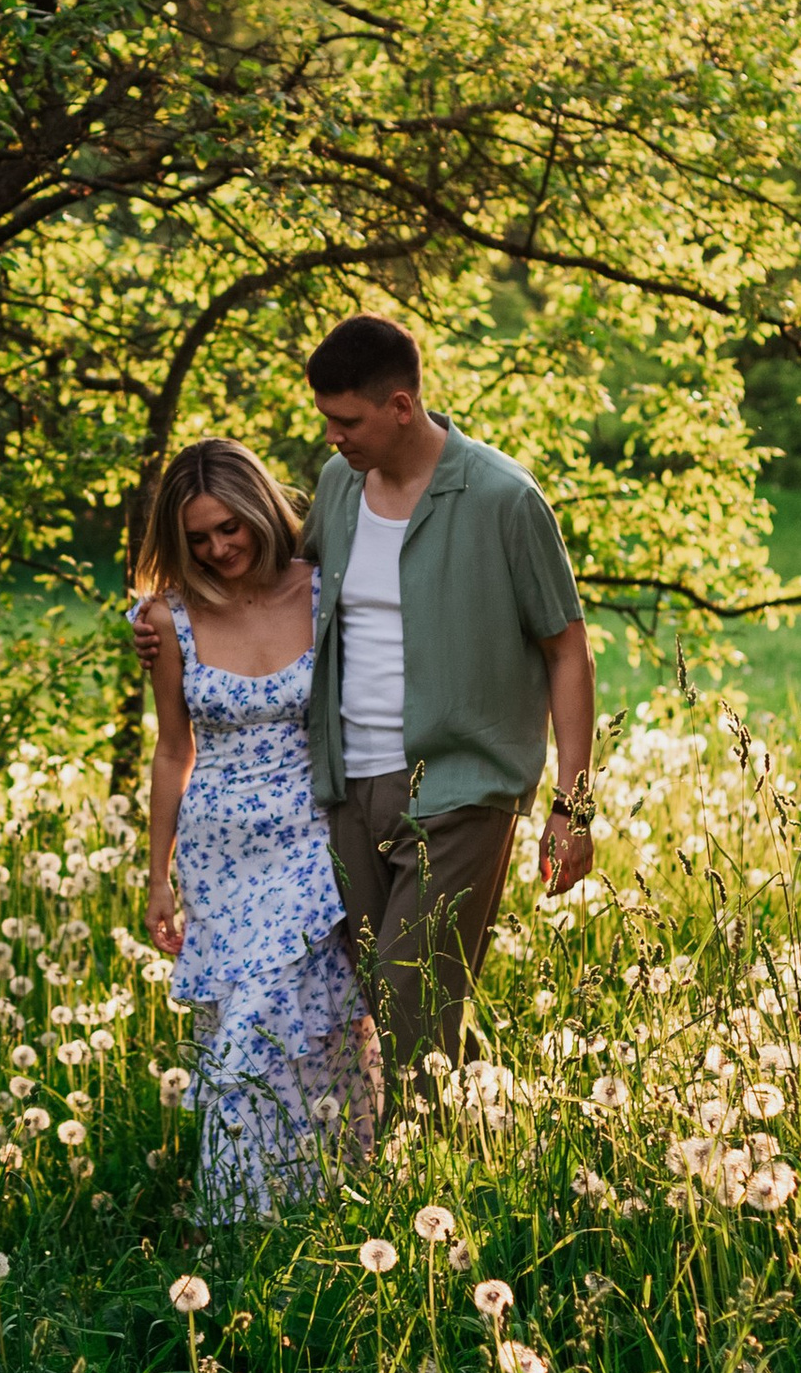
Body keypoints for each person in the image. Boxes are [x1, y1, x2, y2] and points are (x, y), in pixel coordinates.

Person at [132, 313, 595, 1092]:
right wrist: (171, 620)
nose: (333, 437)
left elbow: (567, 651)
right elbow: (274, 587)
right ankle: (484, 1132)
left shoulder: (503, 500)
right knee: (390, 999)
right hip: (345, 789)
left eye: (346, 420)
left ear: (401, 407)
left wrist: (573, 806)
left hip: (461, 789)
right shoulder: (340, 487)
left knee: (416, 998)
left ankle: (413, 1187)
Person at [136, 439, 376, 1221]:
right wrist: (156, 878)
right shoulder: (167, 618)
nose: (218, 548)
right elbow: (175, 748)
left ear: (260, 510)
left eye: (228, 528)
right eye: (198, 538)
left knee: (302, 1037)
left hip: (314, 844)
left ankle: (327, 1207)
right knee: (238, 1043)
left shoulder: (321, 592)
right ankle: (248, 1236)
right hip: (220, 857)